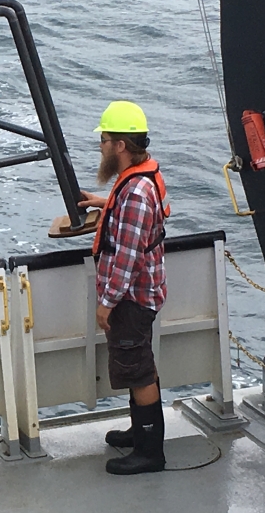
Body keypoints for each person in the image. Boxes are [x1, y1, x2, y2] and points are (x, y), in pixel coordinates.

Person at [78, 101, 170, 476]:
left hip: (131, 298)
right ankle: (140, 433)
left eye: (104, 139)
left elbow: (128, 256)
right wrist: (107, 203)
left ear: (120, 145)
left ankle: (150, 453)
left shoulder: (134, 193)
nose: (100, 145)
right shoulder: (139, 180)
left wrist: (106, 303)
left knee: (139, 370)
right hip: (146, 292)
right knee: (138, 365)